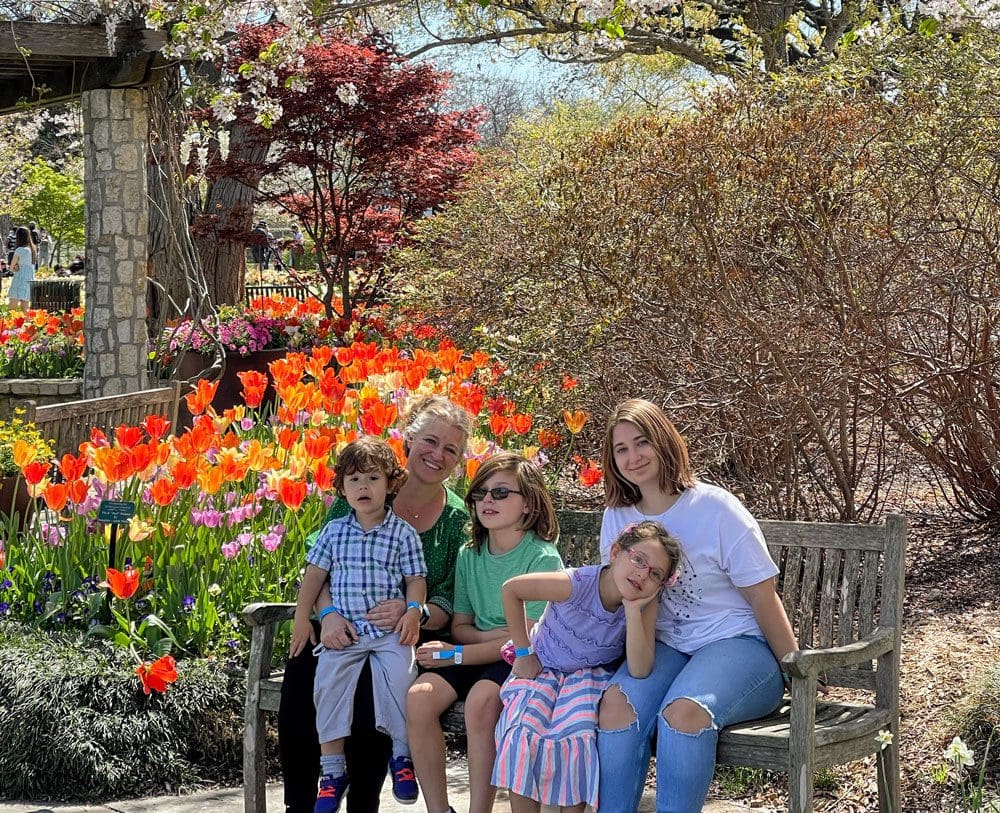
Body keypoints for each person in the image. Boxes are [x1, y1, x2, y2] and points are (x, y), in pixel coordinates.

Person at [594, 398, 799, 813]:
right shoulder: (617, 515)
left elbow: (764, 597)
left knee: (683, 713)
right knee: (616, 706)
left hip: (738, 647)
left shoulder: (715, 508)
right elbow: (619, 598)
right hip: (666, 647)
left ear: (664, 442)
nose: (633, 457)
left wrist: (799, 672)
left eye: (642, 442)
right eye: (621, 449)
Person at [279, 395, 472, 813]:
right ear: (409, 439)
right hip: (340, 621)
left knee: (373, 688)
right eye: (430, 441)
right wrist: (326, 615)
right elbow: (319, 564)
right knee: (301, 677)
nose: (437, 454)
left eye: (450, 449)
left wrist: (411, 610)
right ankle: (302, 804)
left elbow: (450, 594)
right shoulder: (362, 485)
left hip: (407, 632)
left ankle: (362, 804)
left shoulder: (457, 520)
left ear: (458, 461)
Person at [407, 453, 564, 813]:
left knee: (480, 703)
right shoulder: (470, 554)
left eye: (501, 493)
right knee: (418, 697)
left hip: (526, 663)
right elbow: (461, 626)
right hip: (479, 652)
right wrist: (490, 637)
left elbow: (524, 641)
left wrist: (457, 653)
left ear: (529, 504)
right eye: (481, 493)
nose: (487, 501)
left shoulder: (541, 558)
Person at [494, 520, 682, 813]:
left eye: (654, 574)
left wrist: (633, 611)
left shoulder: (644, 606)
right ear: (617, 552)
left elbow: (640, 669)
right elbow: (511, 590)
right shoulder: (576, 583)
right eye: (638, 560)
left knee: (579, 737)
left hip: (588, 677)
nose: (642, 574)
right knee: (522, 732)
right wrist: (523, 651)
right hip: (542, 667)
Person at [291, 436, 427, 813]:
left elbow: (416, 580)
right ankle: (333, 771)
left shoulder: (403, 534)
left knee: (402, 678)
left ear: (391, 483)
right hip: (345, 633)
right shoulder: (334, 533)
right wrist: (305, 619)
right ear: (341, 488)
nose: (362, 487)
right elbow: (314, 576)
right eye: (353, 480)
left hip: (387, 634)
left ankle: (402, 758)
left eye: (372, 478)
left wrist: (414, 610)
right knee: (327, 685)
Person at [8, 226, 36, 310]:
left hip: (19, 278)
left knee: (12, 305)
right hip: (29, 279)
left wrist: (15, 267)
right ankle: (27, 322)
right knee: (25, 305)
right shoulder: (32, 249)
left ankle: (7, 322)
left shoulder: (19, 250)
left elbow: (11, 267)